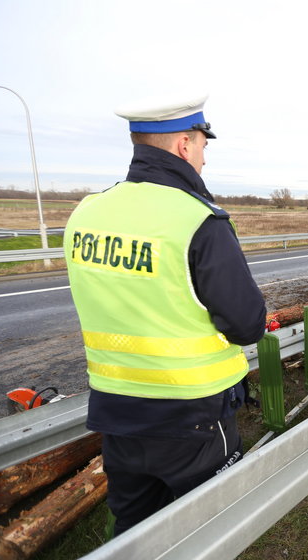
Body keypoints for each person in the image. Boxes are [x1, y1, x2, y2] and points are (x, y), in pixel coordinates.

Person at [63, 93, 267, 535]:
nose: (204, 160)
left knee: (135, 533)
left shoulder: (86, 214)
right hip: (191, 417)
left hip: (115, 413)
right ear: (184, 145)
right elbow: (247, 324)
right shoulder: (198, 220)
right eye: (203, 147)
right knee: (211, 532)